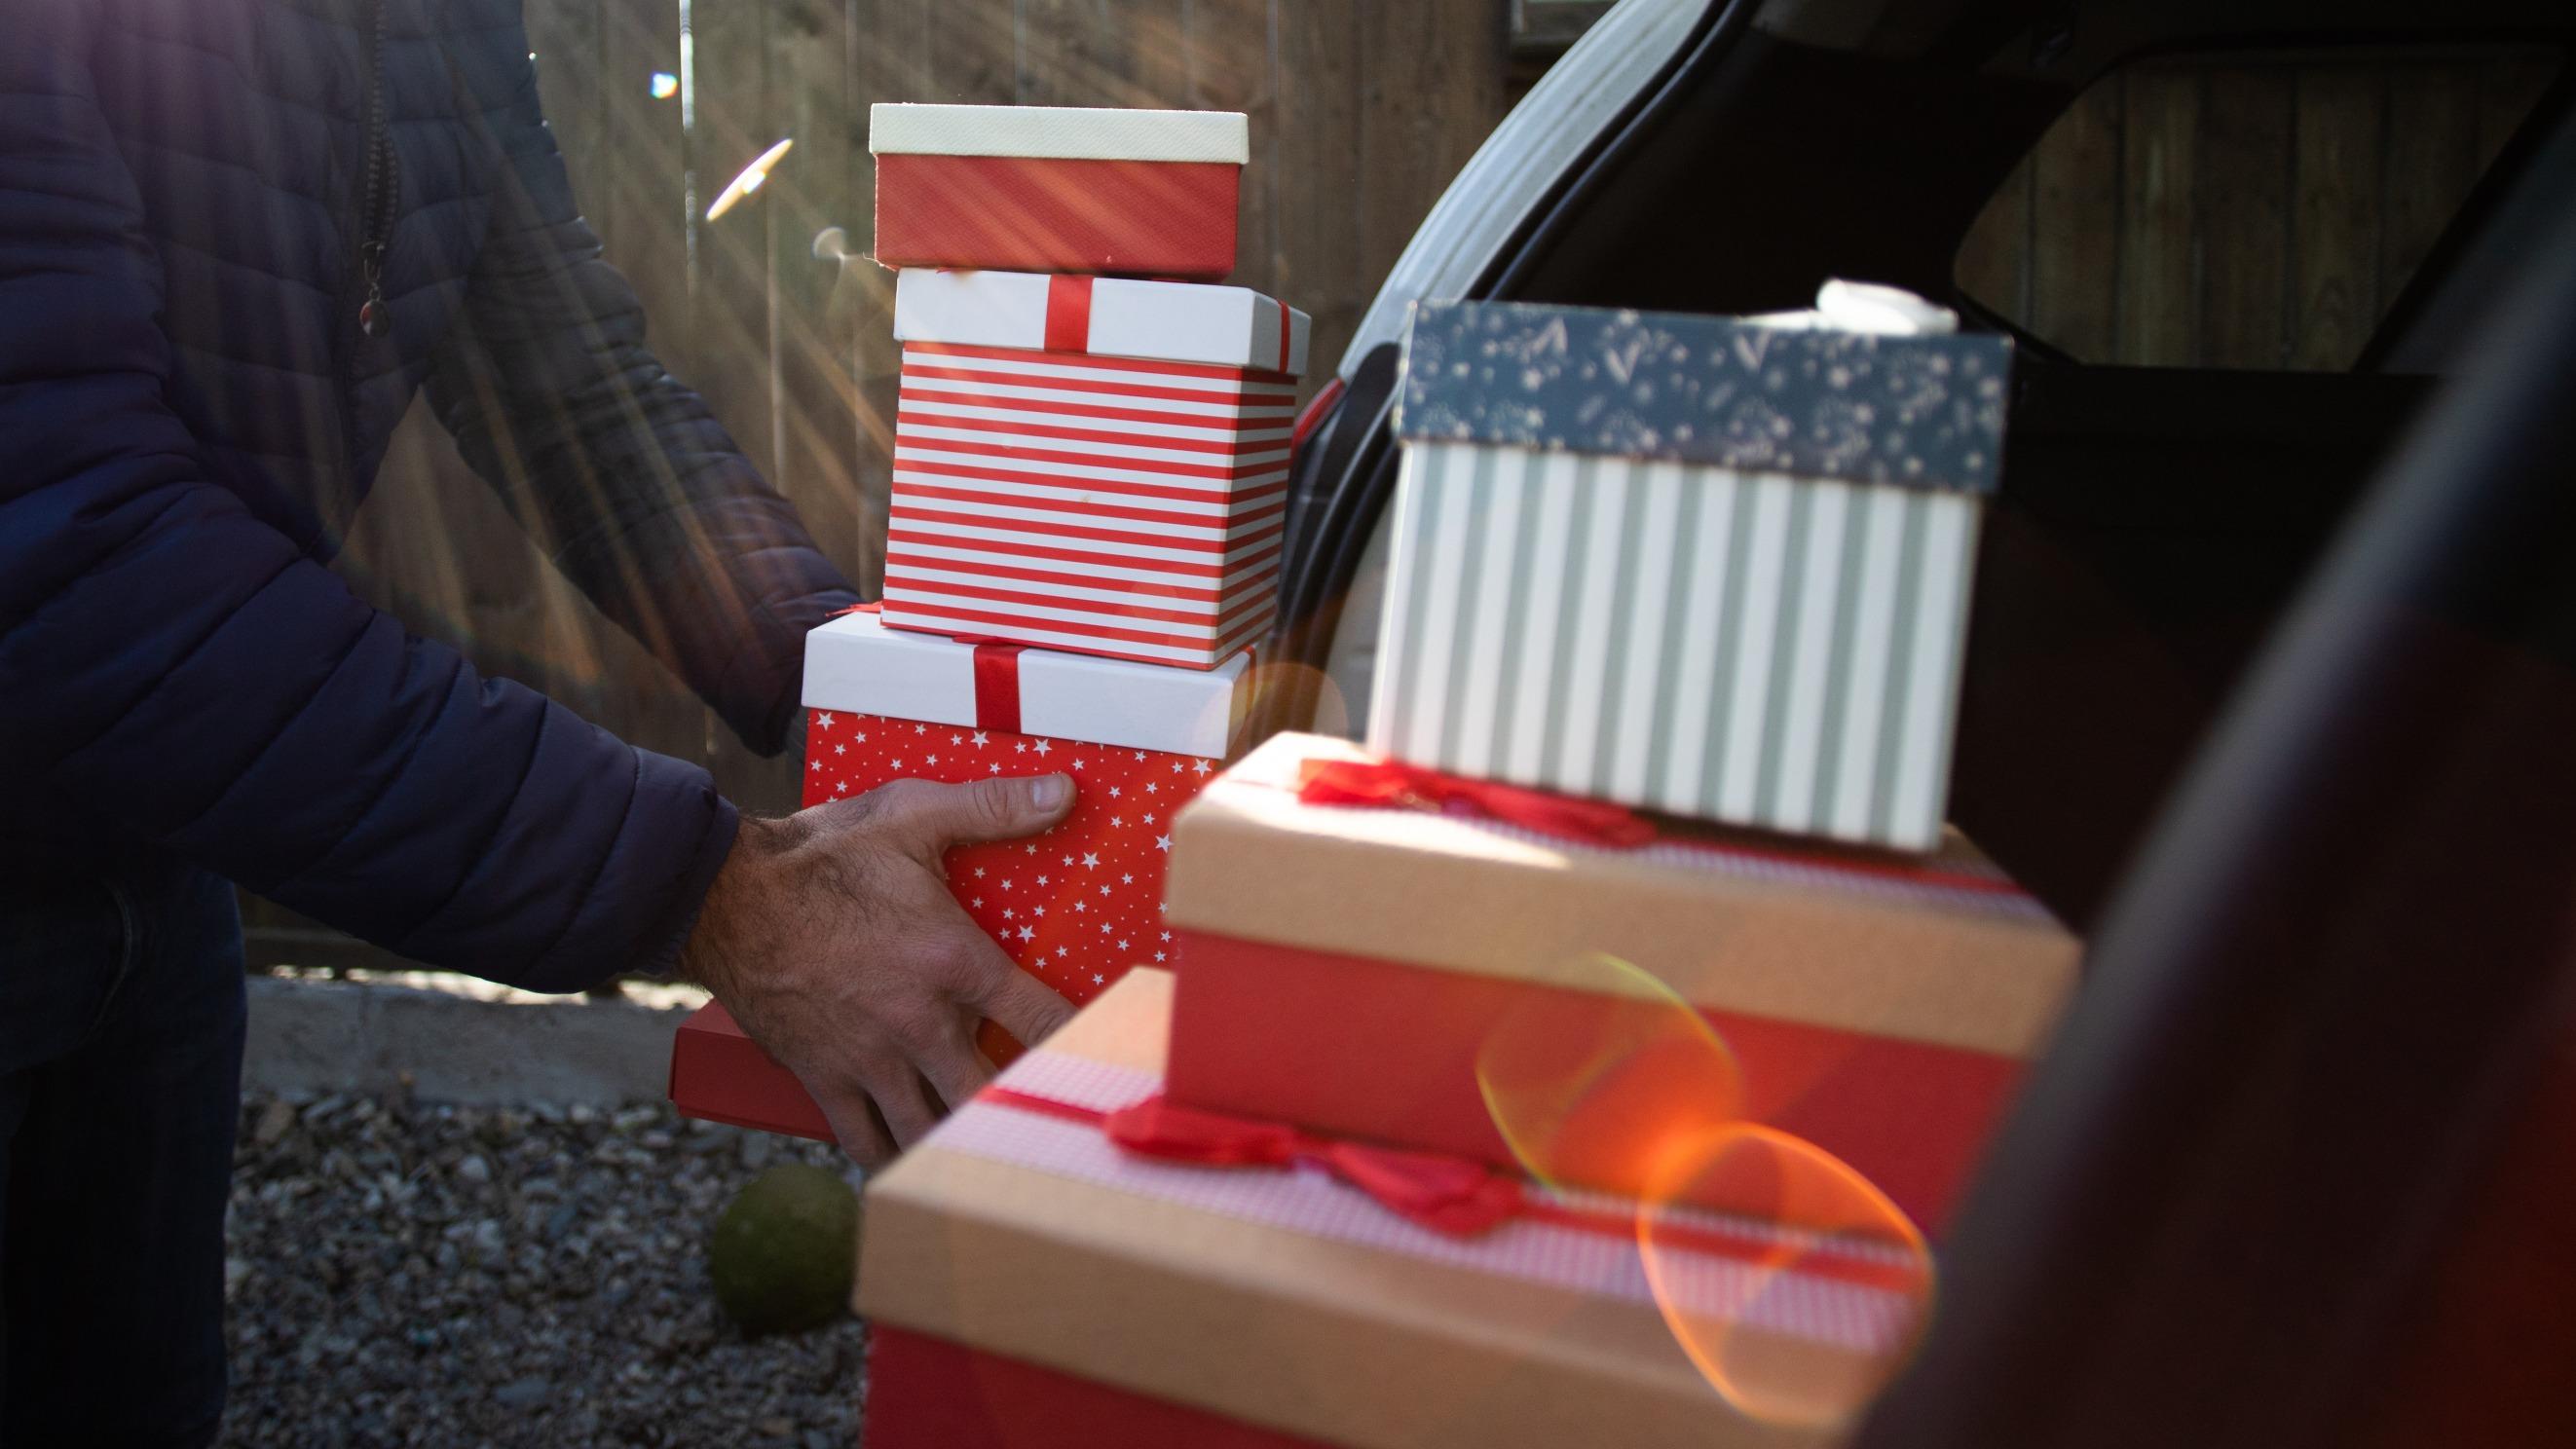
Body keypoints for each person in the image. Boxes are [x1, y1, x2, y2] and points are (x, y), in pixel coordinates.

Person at [0, 2, 1074, 1442]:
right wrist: (717, 898)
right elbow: (70, 551)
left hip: (150, 851)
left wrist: (886, 721)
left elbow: (574, 400)